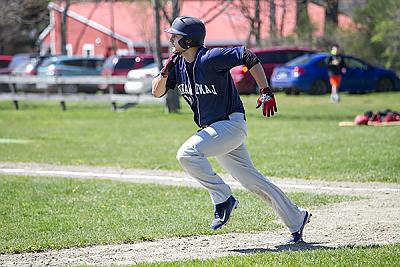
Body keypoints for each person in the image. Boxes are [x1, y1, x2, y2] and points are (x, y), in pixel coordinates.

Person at [152, 16, 311, 243]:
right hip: (215, 132)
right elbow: (157, 93)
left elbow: (248, 56)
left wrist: (265, 90)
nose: (171, 39)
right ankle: (297, 218)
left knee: (186, 154)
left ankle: (223, 198)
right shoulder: (176, 65)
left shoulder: (210, 58)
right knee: (252, 182)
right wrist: (164, 72)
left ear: (188, 41)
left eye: (175, 36)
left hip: (231, 125)